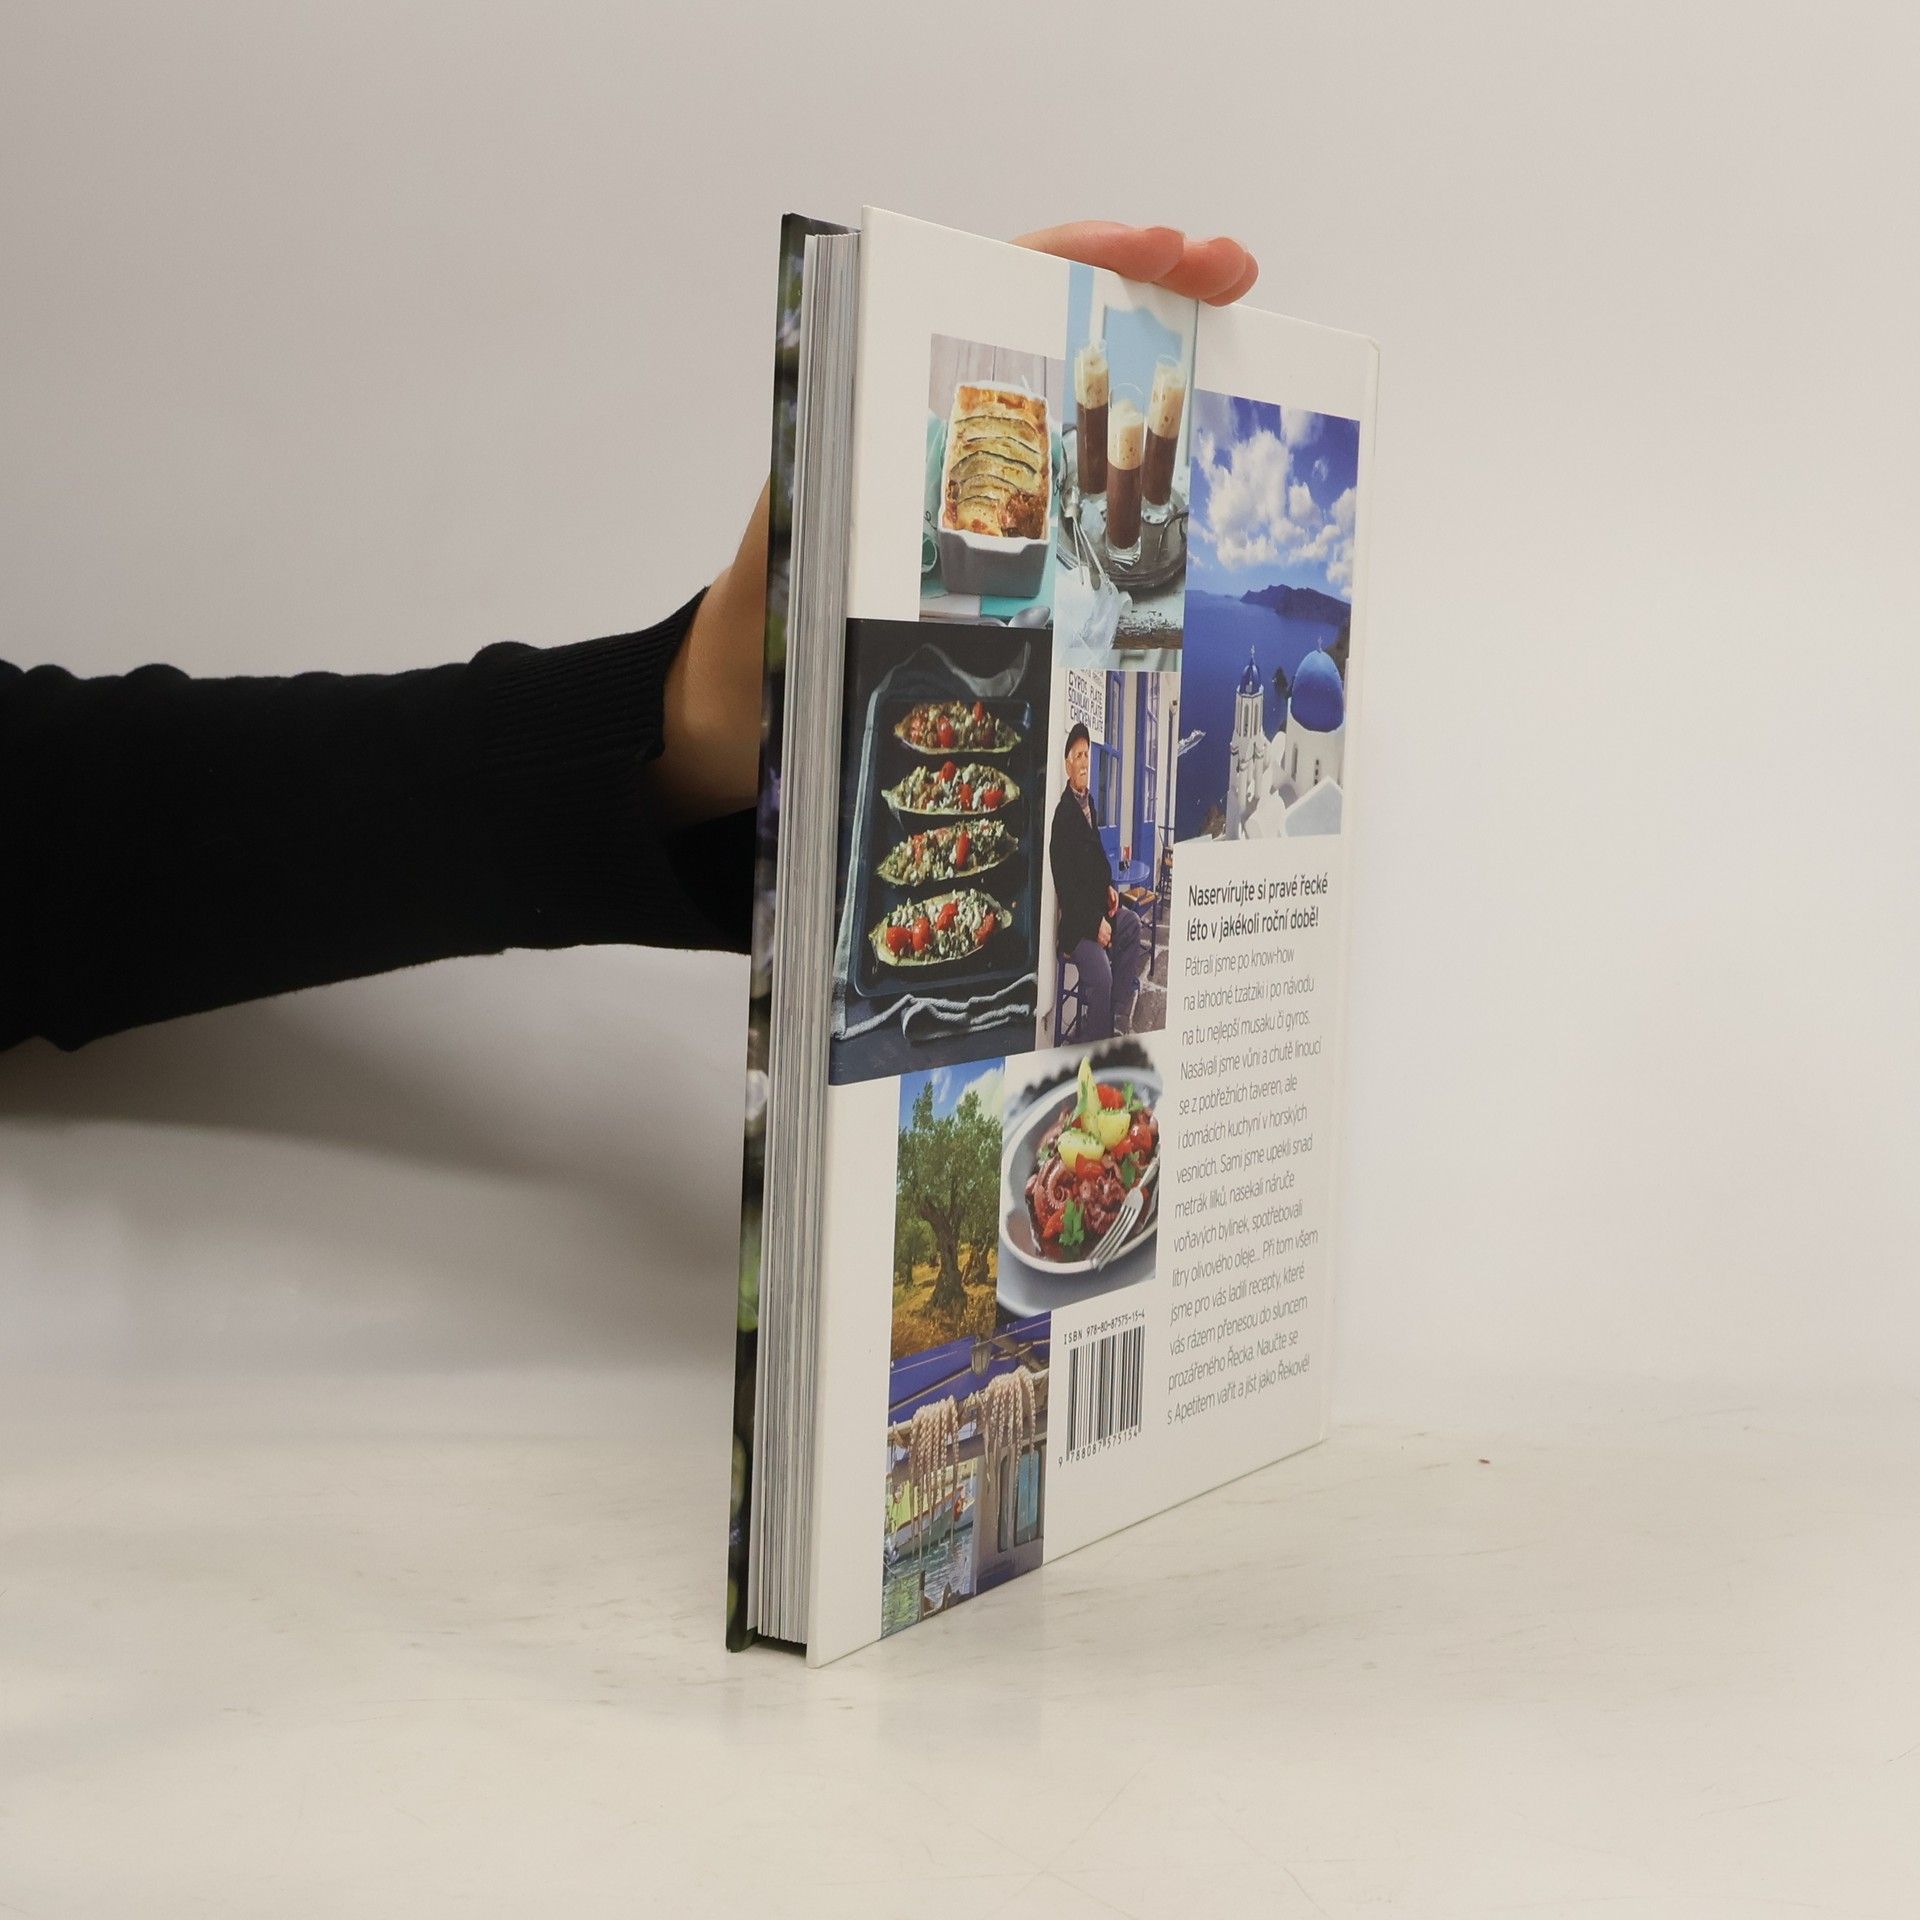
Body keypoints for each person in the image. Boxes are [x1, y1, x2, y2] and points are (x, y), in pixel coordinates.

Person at [0, 223, 1258, 1054]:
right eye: (1080, 756)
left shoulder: (1077, 802)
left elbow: (54, 828)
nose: (1083, 765)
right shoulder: (1066, 811)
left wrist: (685, 721)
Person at [1049, 722, 1147, 1041]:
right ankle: (1095, 1045)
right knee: (1102, 976)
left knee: (1131, 925)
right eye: (1078, 755)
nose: (1084, 762)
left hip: (1097, 912)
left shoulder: (1088, 804)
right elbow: (1067, 891)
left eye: (1087, 755)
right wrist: (1095, 925)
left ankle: (1110, 1018)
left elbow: (1098, 860)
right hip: (1077, 928)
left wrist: (1108, 887)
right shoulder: (1063, 818)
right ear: (1067, 765)